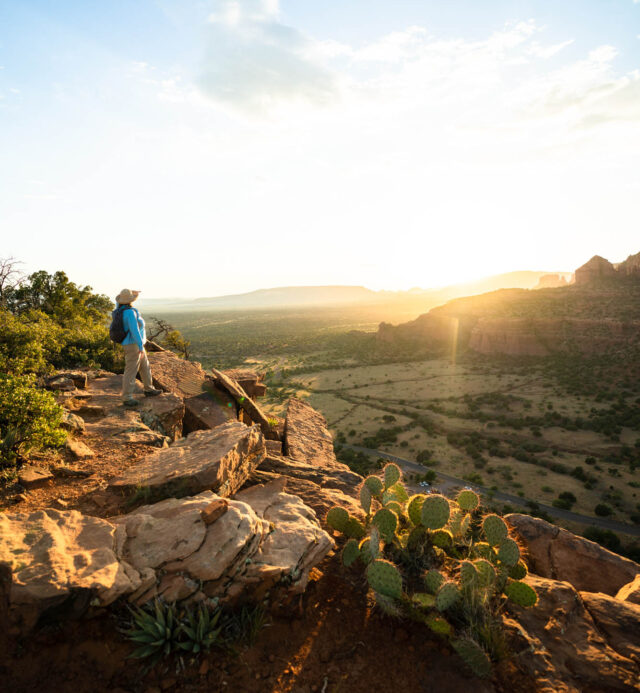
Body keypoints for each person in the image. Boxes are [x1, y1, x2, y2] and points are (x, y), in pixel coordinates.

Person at [114, 288, 162, 406]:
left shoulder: (118, 310)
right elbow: (134, 330)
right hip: (133, 344)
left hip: (132, 343)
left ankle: (149, 389)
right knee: (131, 370)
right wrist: (140, 345)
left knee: (145, 366)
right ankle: (127, 397)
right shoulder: (130, 312)